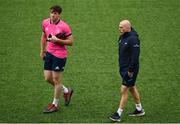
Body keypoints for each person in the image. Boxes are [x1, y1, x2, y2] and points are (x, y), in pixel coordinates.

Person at [40, 5, 74, 113]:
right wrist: (42, 50)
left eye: (55, 13)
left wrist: (57, 40)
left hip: (59, 55)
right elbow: (44, 36)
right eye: (51, 13)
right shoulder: (45, 22)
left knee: (56, 80)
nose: (52, 15)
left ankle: (55, 104)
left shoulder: (64, 26)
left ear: (59, 14)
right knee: (47, 78)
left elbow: (71, 42)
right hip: (49, 53)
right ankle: (66, 90)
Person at [109, 20, 145, 122]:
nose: (119, 29)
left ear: (128, 27)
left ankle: (118, 114)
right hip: (123, 68)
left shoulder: (133, 39)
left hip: (130, 69)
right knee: (132, 87)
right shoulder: (122, 36)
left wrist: (130, 70)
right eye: (119, 27)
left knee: (124, 89)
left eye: (121, 27)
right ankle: (139, 109)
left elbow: (135, 56)